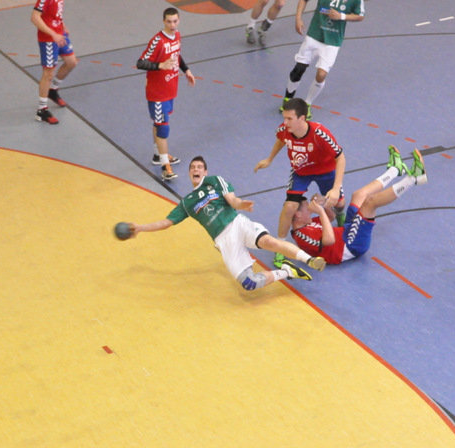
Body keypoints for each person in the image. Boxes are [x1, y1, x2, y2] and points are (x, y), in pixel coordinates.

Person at [122, 156, 326, 292]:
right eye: (192, 168)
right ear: (189, 173)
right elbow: (166, 222)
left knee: (269, 242)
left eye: (199, 167)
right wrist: (140, 228)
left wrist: (241, 204)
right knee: (249, 283)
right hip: (223, 240)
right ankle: (287, 271)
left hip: (237, 223)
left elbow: (232, 200)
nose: (196, 170)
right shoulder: (187, 203)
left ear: (205, 171)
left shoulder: (214, 181)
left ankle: (309, 260)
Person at [290, 146, 426, 264]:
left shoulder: (307, 222)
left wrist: (324, 204)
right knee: (370, 202)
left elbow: (330, 217)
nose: (310, 210)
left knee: (359, 195)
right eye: (307, 209)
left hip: (346, 230)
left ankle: (396, 169)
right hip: (350, 245)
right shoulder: (302, 235)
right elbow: (330, 240)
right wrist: (320, 211)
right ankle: (413, 178)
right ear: (298, 214)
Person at [254, 97, 345, 266]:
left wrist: (336, 188)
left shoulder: (320, 134)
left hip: (325, 172)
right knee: (290, 207)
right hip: (301, 173)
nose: (285, 122)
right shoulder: (284, 129)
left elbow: (340, 158)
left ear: (302, 118)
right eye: (284, 118)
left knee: (339, 203)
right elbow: (281, 139)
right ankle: (280, 247)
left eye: (289, 118)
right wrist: (269, 159)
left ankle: (340, 217)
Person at [136, 7, 196, 181]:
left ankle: (158, 155)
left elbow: (177, 55)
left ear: (179, 20)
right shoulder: (158, 41)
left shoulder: (177, 36)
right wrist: (159, 65)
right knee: (163, 127)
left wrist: (186, 70)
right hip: (157, 93)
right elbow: (140, 63)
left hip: (170, 88)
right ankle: (165, 166)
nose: (172, 25)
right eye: (169, 22)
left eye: (175, 21)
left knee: (159, 123)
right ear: (164, 21)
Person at [279, 0, 365, 119]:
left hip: (332, 42)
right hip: (314, 35)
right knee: (298, 69)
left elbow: (360, 16)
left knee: (321, 75)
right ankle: (288, 99)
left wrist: (341, 16)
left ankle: (307, 104)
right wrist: (298, 19)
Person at [31, 0, 78, 125]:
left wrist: (63, 25)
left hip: (59, 33)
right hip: (48, 39)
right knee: (48, 73)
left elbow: (55, 13)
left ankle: (52, 90)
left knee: (71, 62)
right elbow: (34, 17)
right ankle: (41, 110)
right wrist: (53, 34)